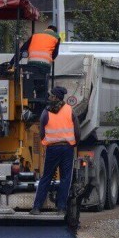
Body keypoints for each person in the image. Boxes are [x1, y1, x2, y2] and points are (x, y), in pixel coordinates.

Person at [30, 86, 81, 215]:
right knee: (65, 178)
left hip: (52, 148)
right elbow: (77, 131)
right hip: (67, 148)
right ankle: (61, 208)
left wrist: (46, 141)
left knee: (46, 177)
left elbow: (42, 131)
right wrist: (74, 144)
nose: (49, 97)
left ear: (56, 97)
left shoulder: (46, 112)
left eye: (51, 95)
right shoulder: (70, 110)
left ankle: (36, 207)